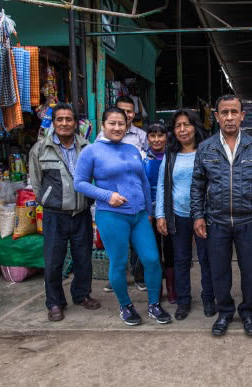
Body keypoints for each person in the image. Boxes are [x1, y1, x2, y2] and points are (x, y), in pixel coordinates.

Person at [75, 107, 171, 326]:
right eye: (112, 123)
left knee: (152, 260)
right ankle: (125, 306)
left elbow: (144, 182)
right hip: (112, 216)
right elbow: (79, 183)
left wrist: (148, 211)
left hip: (139, 216)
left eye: (121, 124)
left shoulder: (132, 149)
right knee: (119, 262)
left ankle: (154, 304)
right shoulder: (91, 151)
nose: (117, 127)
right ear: (103, 125)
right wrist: (107, 195)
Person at [191, 94, 252, 337]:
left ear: (242, 115)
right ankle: (225, 312)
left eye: (234, 112)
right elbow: (197, 185)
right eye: (224, 112)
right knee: (219, 270)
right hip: (216, 220)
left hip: (248, 220)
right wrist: (198, 215)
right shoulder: (206, 148)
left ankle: (248, 312)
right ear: (216, 117)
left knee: (250, 270)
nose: (230, 117)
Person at [29, 103, 99, 321]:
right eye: (60, 119)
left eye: (69, 119)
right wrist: (49, 200)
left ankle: (81, 295)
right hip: (54, 215)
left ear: (75, 123)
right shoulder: (40, 149)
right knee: (53, 261)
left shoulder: (87, 147)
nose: (64, 123)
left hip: (81, 213)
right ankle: (55, 302)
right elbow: (36, 182)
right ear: (54, 122)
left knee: (83, 259)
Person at [156, 109, 216, 320]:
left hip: (205, 215)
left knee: (206, 258)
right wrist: (161, 214)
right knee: (181, 259)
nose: (182, 130)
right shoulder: (170, 155)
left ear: (195, 127)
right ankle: (183, 301)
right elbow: (163, 185)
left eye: (187, 125)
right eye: (178, 126)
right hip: (178, 215)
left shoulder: (207, 151)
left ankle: (209, 298)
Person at [97, 95, 148, 293]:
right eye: (121, 112)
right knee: (116, 247)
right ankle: (116, 278)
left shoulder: (141, 136)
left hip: (135, 204)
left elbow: (144, 169)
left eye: (128, 112)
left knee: (139, 246)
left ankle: (138, 276)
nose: (124, 117)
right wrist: (105, 197)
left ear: (133, 114)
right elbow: (86, 180)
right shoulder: (100, 141)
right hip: (112, 206)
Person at [143, 121, 176, 304]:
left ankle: (172, 287)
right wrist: (148, 212)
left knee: (171, 251)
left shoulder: (172, 157)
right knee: (153, 253)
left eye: (160, 135)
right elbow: (142, 187)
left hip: (170, 211)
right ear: (147, 138)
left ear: (166, 137)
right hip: (149, 213)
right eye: (153, 136)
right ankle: (158, 287)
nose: (156, 139)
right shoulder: (143, 159)